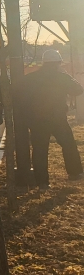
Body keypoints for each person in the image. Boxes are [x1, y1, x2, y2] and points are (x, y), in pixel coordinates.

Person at [23, 49, 84, 190]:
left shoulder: (32, 78)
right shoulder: (62, 77)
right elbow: (78, 90)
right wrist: (67, 76)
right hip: (58, 118)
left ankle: (42, 182)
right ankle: (74, 173)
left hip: (37, 119)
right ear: (58, 63)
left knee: (39, 150)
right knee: (68, 144)